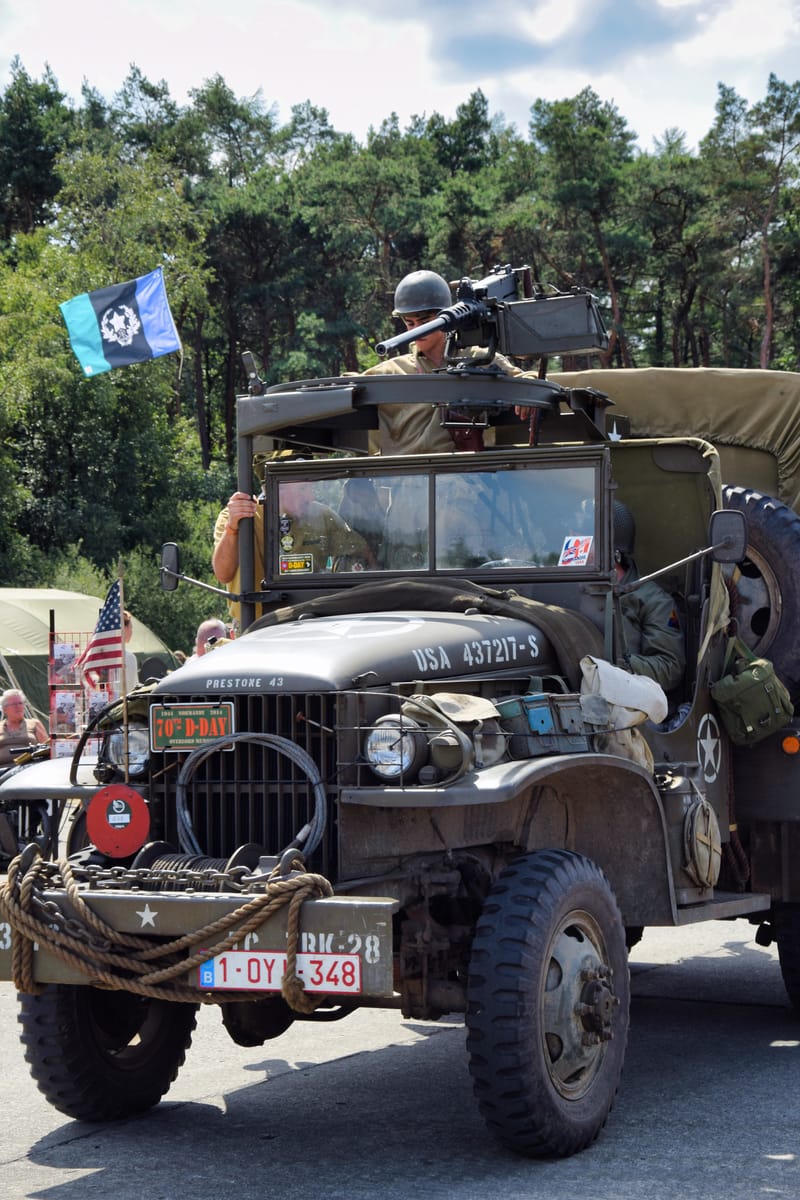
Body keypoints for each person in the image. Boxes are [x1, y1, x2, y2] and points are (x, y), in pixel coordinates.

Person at [363, 269, 522, 454]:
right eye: (410, 323)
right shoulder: (392, 371)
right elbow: (347, 387)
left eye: (425, 322)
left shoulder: (479, 359)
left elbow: (527, 381)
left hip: (465, 468)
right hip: (406, 470)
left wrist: (525, 394)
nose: (416, 330)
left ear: (445, 316)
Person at [213, 465, 373, 624]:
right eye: (303, 489)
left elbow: (363, 552)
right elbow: (223, 574)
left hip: (311, 621)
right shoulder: (239, 519)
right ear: (278, 487)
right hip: (255, 626)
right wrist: (232, 528)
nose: (310, 496)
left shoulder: (320, 516)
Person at [614, 501, 686, 693]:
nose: (572, 544)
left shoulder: (653, 600)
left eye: (581, 537)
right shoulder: (559, 589)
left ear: (613, 549)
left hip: (628, 699)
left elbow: (670, 667)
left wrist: (616, 664)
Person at [0, 689, 48, 765]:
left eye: (20, 703)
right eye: (14, 704)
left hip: (29, 767)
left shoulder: (34, 724)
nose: (18, 706)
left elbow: (46, 748)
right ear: (4, 709)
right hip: (3, 769)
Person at [107, 609, 139, 698]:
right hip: (123, 703)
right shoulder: (129, 657)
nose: (131, 631)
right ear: (124, 628)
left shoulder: (101, 655)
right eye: (131, 627)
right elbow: (132, 689)